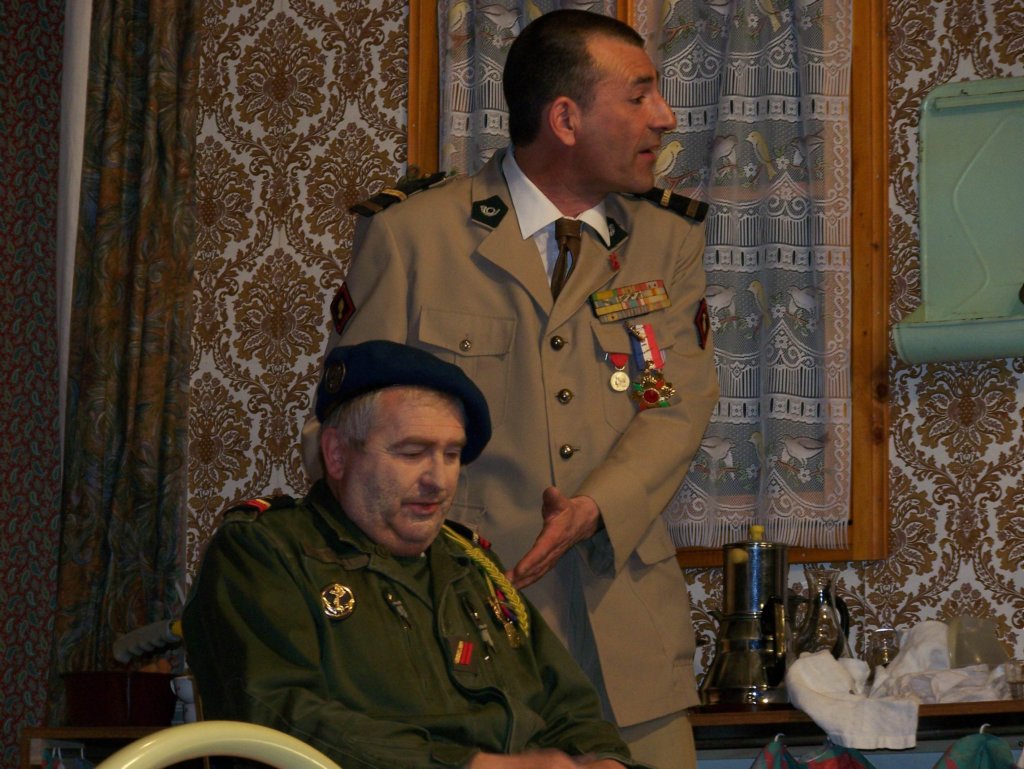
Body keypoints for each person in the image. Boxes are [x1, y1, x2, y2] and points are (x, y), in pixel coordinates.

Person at [303, 10, 718, 768]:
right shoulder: (415, 237)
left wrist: (596, 506)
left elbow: (676, 402)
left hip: (627, 642)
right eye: (639, 96)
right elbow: (344, 436)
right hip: (464, 647)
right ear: (565, 119)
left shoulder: (667, 240)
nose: (664, 117)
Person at [184, 340, 648, 769]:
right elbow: (277, 717)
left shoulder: (471, 566)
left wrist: (604, 760)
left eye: (451, 455)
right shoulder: (266, 553)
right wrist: (470, 767)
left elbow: (569, 708)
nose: (439, 481)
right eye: (412, 453)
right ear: (337, 454)